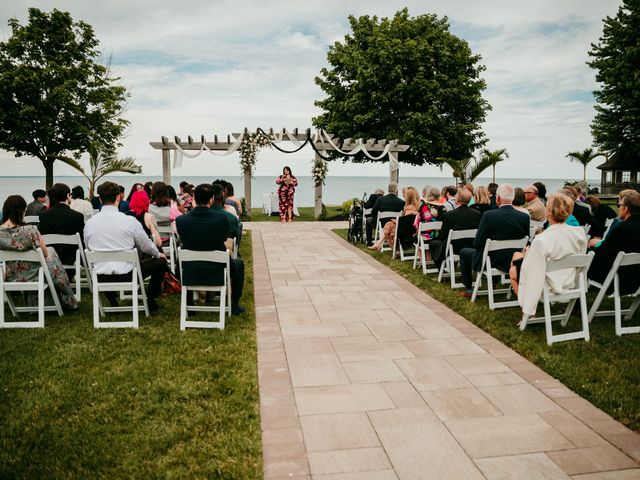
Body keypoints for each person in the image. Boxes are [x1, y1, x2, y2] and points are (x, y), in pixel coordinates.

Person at [84, 181, 168, 313]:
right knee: (161, 262)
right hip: (128, 274)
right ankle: (150, 301)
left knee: (100, 263)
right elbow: (146, 246)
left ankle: (113, 302)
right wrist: (158, 254)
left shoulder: (89, 223)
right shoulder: (129, 221)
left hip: (100, 276)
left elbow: (88, 248)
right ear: (118, 197)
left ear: (100, 199)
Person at [510, 193, 587, 316]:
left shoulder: (541, 239)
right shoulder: (579, 233)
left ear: (549, 212)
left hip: (548, 285)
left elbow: (531, 271)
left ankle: (528, 312)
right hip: (570, 281)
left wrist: (528, 255)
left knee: (514, 270)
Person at [176, 183, 246, 315]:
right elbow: (224, 238)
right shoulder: (222, 218)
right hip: (217, 268)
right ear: (211, 199)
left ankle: (189, 304)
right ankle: (234, 305)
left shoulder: (181, 220)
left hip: (190, 270)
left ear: (194, 198)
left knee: (180, 260)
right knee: (239, 264)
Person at [0, 195, 78, 309]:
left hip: (12, 276)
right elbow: (45, 253)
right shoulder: (30, 230)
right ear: (22, 211)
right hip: (36, 275)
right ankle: (68, 297)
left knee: (50, 255)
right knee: (50, 253)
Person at [458, 183, 530, 297]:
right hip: (514, 261)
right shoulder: (524, 217)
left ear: (498, 198)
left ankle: (469, 289)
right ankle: (493, 285)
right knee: (495, 252)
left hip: (492, 260)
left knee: (464, 252)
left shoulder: (489, 216)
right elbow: (527, 241)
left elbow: (477, 243)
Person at [587, 192, 640, 293]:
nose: (618, 208)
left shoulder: (621, 229)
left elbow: (602, 253)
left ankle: (577, 303)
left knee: (585, 262)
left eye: (619, 205)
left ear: (626, 208)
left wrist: (589, 251)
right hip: (636, 279)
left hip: (618, 279)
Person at [429, 188, 482, 271]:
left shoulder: (449, 215)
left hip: (454, 248)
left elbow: (443, 235)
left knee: (433, 243)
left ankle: (441, 270)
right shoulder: (477, 214)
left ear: (457, 200)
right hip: (471, 246)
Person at [38, 183, 85, 270]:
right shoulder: (77, 216)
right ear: (67, 195)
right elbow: (81, 241)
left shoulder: (43, 215)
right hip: (71, 259)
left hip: (50, 257)